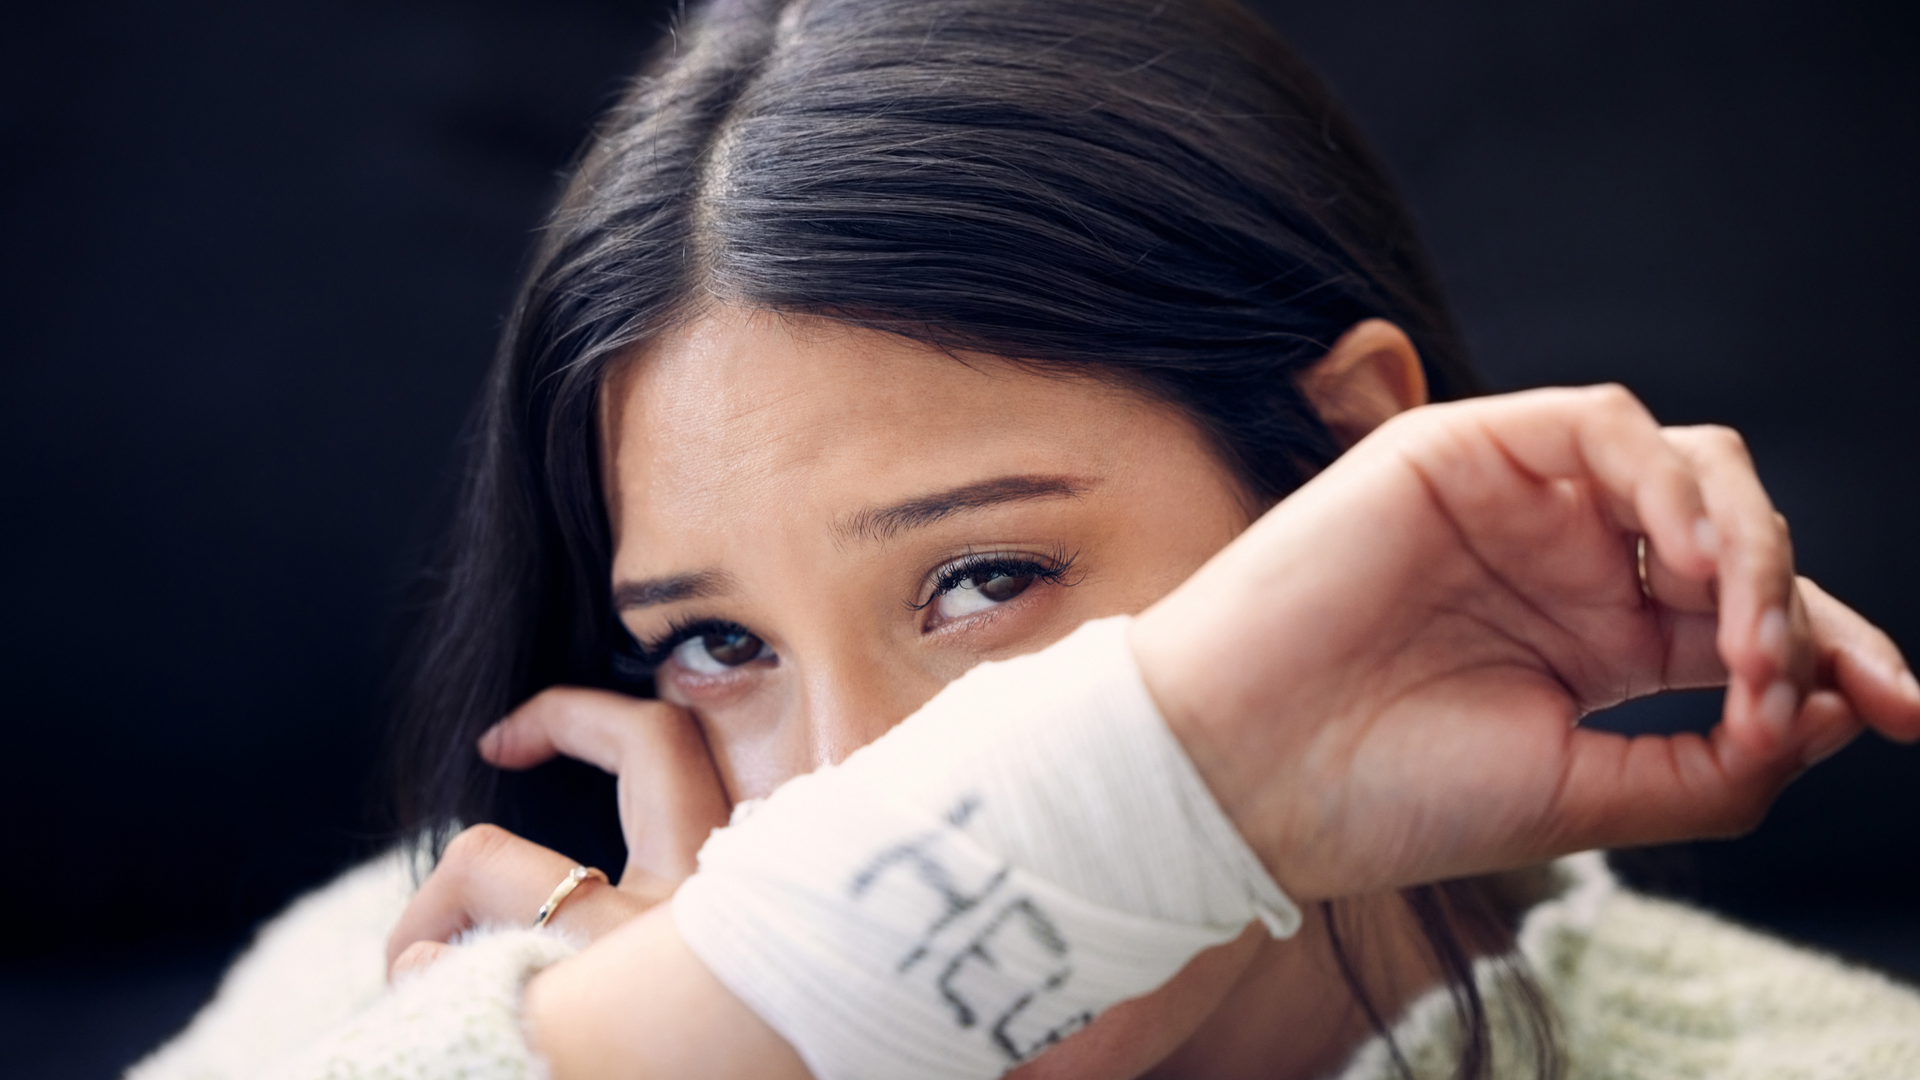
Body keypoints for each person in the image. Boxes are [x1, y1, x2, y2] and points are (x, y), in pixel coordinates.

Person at [129, 0, 1920, 1078]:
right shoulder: (450, 975)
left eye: (984, 582)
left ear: (1345, 468)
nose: (841, 786)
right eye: (718, 646)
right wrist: (719, 1042)